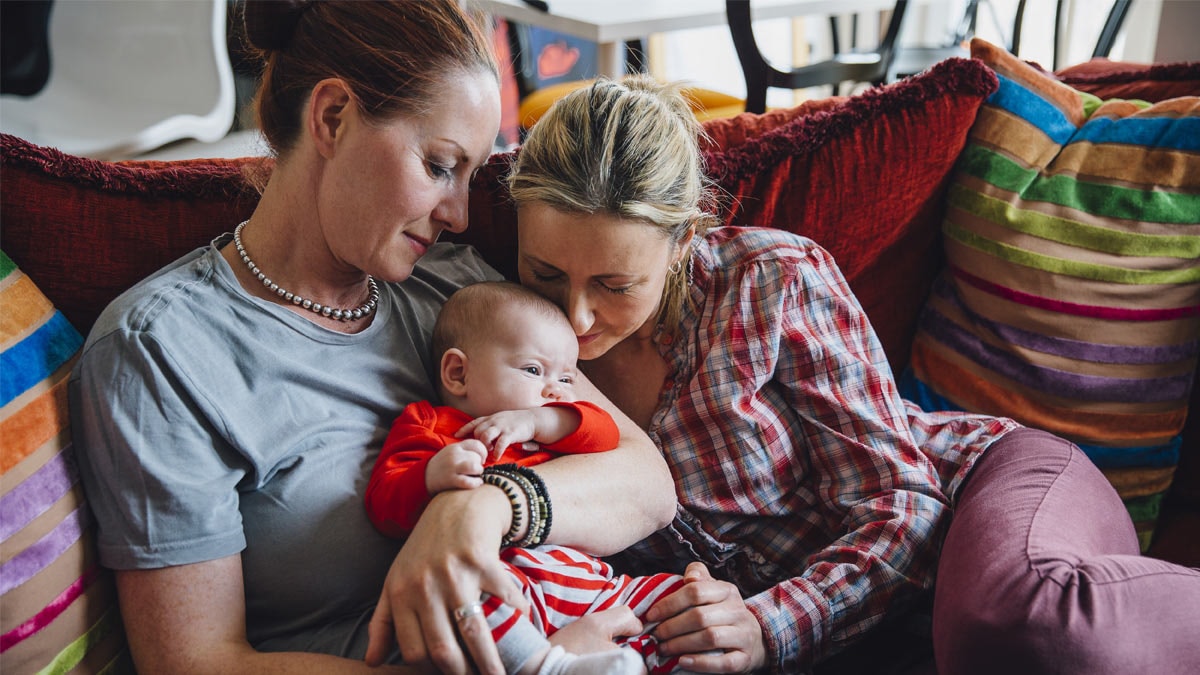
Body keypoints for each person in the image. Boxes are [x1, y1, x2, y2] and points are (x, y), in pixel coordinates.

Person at [505, 75, 1200, 674]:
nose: (578, 315)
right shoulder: (505, 336)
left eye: (615, 283)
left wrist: (765, 624)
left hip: (971, 492)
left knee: (1018, 622)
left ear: (686, 238)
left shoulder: (767, 281)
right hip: (859, 629)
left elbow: (906, 502)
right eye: (545, 273)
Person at [67, 3, 675, 674]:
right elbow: (196, 662)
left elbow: (646, 481)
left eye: (473, 174)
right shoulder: (162, 350)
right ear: (332, 117)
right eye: (441, 165)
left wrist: (481, 511)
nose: (461, 213)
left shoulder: (458, 292)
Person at [367, 280, 696, 675]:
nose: (556, 391)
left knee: (683, 602)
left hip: (586, 580)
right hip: (505, 583)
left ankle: (646, 661)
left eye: (567, 378)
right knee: (461, 599)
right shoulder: (431, 426)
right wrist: (429, 476)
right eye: (533, 370)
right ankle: (546, 666)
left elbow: (605, 433)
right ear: (458, 374)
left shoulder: (552, 427)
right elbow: (383, 503)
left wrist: (539, 420)